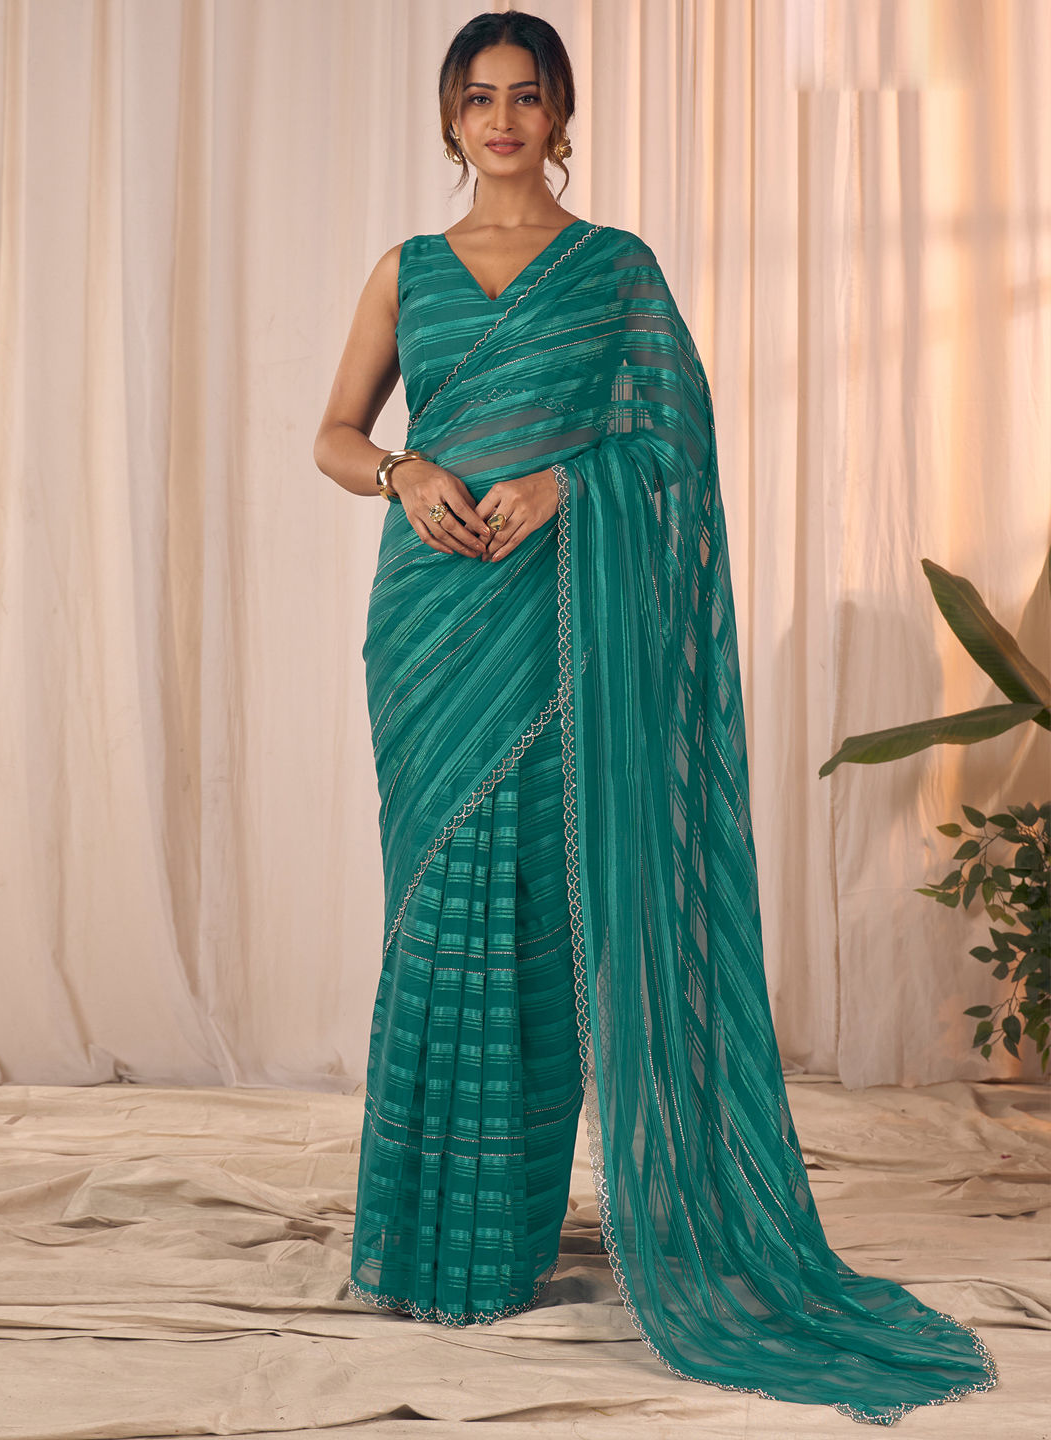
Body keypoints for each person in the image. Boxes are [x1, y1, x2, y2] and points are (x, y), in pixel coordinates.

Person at [312, 9, 998, 1426]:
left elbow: (674, 447)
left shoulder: (616, 270)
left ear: (562, 116)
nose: (504, 120)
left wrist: (571, 485)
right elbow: (333, 434)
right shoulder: (407, 270)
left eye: (529, 96)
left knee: (535, 913)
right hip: (432, 629)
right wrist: (402, 473)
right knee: (437, 913)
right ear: (450, 120)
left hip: (566, 627)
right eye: (480, 98)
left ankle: (497, 1242)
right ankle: (420, 1237)